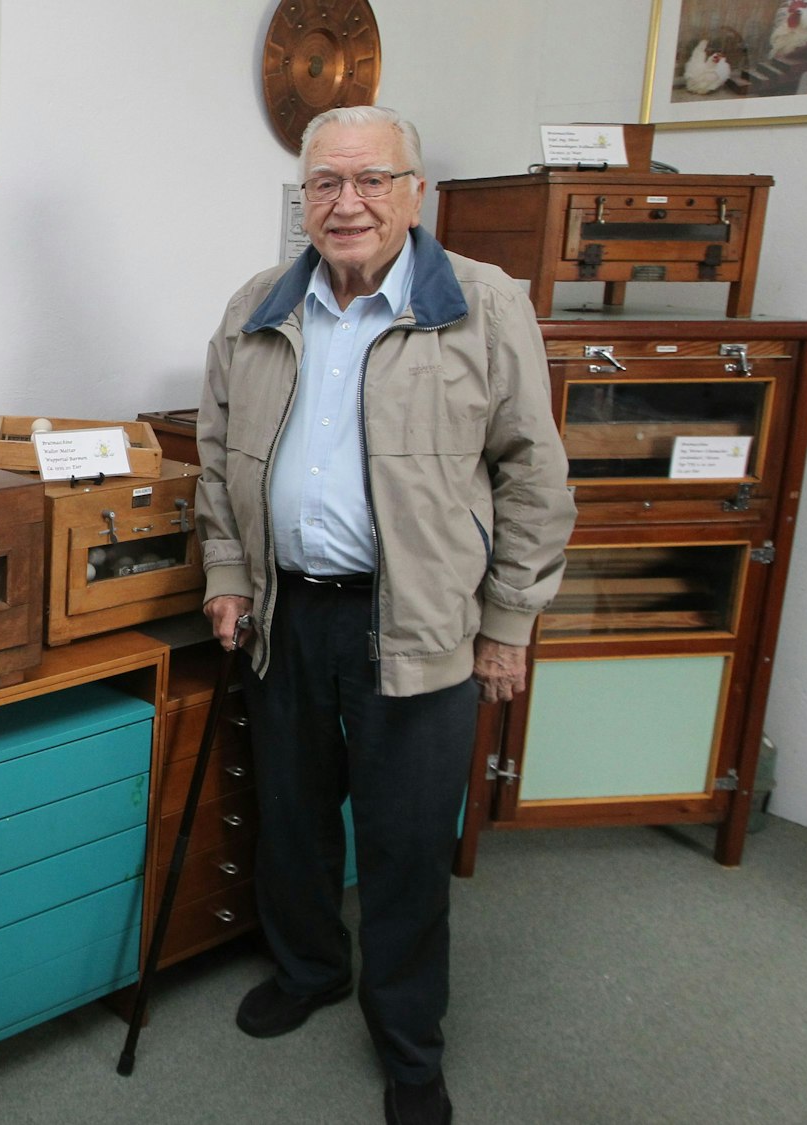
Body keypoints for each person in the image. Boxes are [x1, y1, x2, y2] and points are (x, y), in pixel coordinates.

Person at [194, 106, 575, 1125]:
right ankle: (310, 967)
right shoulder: (252, 308)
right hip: (288, 613)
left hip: (417, 622)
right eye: (324, 183)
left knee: (406, 846)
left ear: (415, 193)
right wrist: (227, 572)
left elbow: (532, 474)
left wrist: (507, 622)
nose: (345, 202)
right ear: (302, 199)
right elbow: (218, 456)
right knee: (292, 816)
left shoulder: (483, 307)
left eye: (370, 180)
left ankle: (407, 1044)